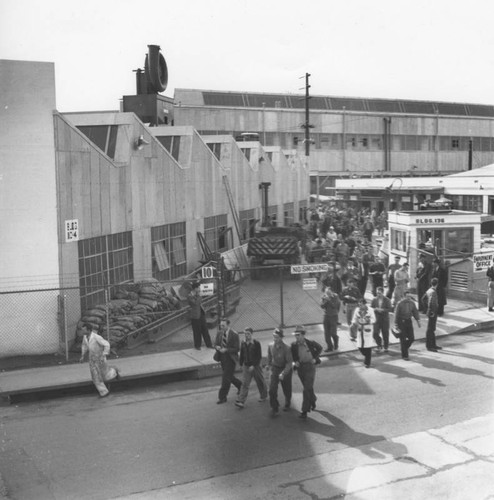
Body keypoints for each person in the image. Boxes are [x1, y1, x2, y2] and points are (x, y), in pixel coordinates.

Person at [79, 323, 120, 397]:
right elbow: (84, 346)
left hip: (100, 358)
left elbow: (106, 344)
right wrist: (82, 355)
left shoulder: (96, 337)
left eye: (84, 330)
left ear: (88, 330)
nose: (82, 331)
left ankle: (114, 372)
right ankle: (104, 392)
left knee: (104, 375)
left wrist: (104, 353)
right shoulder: (85, 337)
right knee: (95, 376)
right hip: (92, 360)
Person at [291, 326, 323, 419]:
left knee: (306, 389)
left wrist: (315, 358)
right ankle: (313, 399)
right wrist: (295, 361)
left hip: (310, 367)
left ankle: (304, 410)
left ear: (303, 335)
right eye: (295, 335)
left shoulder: (311, 343)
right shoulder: (294, 345)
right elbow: (293, 356)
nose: (296, 337)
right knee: (308, 387)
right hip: (301, 368)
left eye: (298, 335)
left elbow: (320, 348)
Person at [235, 328, 268, 408]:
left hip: (255, 366)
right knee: (245, 383)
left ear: (252, 334)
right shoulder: (243, 342)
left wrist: (253, 365)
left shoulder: (256, 343)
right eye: (245, 334)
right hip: (246, 366)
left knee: (260, 381)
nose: (247, 335)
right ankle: (241, 400)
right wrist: (240, 364)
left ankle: (263, 395)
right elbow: (242, 354)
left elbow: (258, 356)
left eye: (248, 334)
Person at [214, 318, 242, 404]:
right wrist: (217, 347)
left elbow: (237, 348)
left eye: (223, 325)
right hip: (222, 358)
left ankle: (222, 397)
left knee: (225, 378)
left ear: (228, 325)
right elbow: (215, 343)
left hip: (230, 358)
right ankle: (241, 386)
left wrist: (226, 350)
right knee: (229, 376)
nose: (221, 327)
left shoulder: (234, 334)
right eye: (221, 325)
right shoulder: (219, 333)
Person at [267, 328, 293, 416]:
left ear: (281, 338)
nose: (275, 339)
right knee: (272, 389)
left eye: (277, 337)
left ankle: (287, 402)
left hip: (285, 369)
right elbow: (269, 356)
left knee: (287, 389)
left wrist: (283, 373)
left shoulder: (287, 348)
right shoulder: (270, 346)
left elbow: (289, 363)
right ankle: (274, 407)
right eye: (274, 337)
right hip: (275, 369)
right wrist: (268, 365)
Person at [393, 289, 421, 360]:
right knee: (403, 339)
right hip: (401, 322)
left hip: (409, 321)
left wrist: (418, 321)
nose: (409, 298)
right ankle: (405, 355)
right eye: (407, 296)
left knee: (412, 338)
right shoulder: (399, 304)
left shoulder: (412, 303)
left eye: (409, 296)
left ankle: (404, 348)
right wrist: (396, 325)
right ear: (404, 297)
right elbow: (396, 314)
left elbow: (415, 312)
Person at [187, 282, 213, 350]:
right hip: (195, 315)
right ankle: (197, 345)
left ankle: (209, 344)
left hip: (201, 313)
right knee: (197, 331)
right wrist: (199, 296)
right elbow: (196, 303)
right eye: (198, 288)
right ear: (195, 288)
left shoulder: (197, 294)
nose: (199, 289)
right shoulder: (190, 295)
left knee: (205, 329)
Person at [352, 299, 376, 368]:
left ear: (365, 304)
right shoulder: (357, 310)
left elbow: (374, 319)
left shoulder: (370, 310)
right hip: (360, 330)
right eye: (359, 304)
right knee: (360, 346)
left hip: (367, 329)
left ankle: (367, 363)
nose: (360, 306)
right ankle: (367, 356)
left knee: (368, 347)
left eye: (361, 304)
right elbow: (354, 319)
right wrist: (355, 323)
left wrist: (368, 320)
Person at [370, 286, 393, 351]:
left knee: (385, 333)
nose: (378, 294)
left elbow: (390, 309)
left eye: (379, 293)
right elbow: (371, 308)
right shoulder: (374, 299)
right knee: (375, 333)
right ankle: (379, 344)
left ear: (383, 293)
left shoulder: (387, 300)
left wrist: (382, 310)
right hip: (377, 318)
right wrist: (375, 309)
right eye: (377, 293)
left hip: (384, 319)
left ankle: (386, 346)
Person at [422, 278, 442, 352]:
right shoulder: (433, 292)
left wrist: (426, 308)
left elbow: (423, 299)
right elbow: (431, 302)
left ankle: (433, 344)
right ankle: (429, 346)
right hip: (433, 312)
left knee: (431, 328)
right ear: (437, 284)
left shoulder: (429, 290)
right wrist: (431, 310)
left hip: (431, 312)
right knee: (431, 329)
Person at [321, 285, 341, 352]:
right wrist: (325, 300)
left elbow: (334, 306)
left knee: (333, 333)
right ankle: (330, 347)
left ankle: (336, 341)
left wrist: (329, 300)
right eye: (326, 292)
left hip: (333, 316)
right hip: (326, 316)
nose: (327, 294)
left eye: (329, 292)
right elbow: (322, 306)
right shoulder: (324, 297)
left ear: (332, 292)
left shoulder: (336, 296)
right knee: (326, 333)